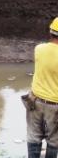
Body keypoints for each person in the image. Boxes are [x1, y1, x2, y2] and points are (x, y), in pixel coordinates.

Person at [27, 18, 58, 158]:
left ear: (50, 33)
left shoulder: (38, 49)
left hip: (35, 101)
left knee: (34, 137)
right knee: (53, 140)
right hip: (55, 105)